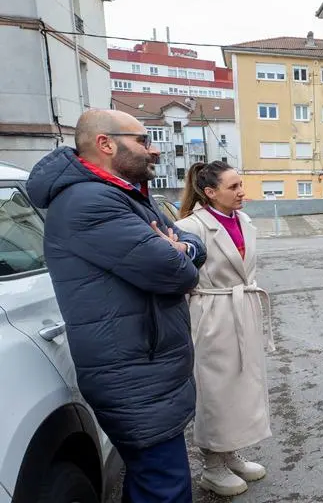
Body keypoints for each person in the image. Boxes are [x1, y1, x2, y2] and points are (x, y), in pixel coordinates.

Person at [25, 109, 206, 502]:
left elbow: (191, 247)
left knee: (152, 480)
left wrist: (181, 248)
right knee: (165, 487)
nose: (153, 150)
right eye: (143, 140)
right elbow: (178, 273)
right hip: (133, 372)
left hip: (144, 366)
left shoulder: (122, 194)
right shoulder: (89, 202)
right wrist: (177, 253)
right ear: (106, 144)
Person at [173, 161, 272, 496]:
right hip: (211, 313)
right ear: (210, 192)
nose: (241, 192)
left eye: (241, 184)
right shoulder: (190, 225)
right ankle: (211, 466)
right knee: (214, 390)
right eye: (233, 187)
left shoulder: (242, 220)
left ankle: (230, 453)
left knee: (241, 386)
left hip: (242, 308)